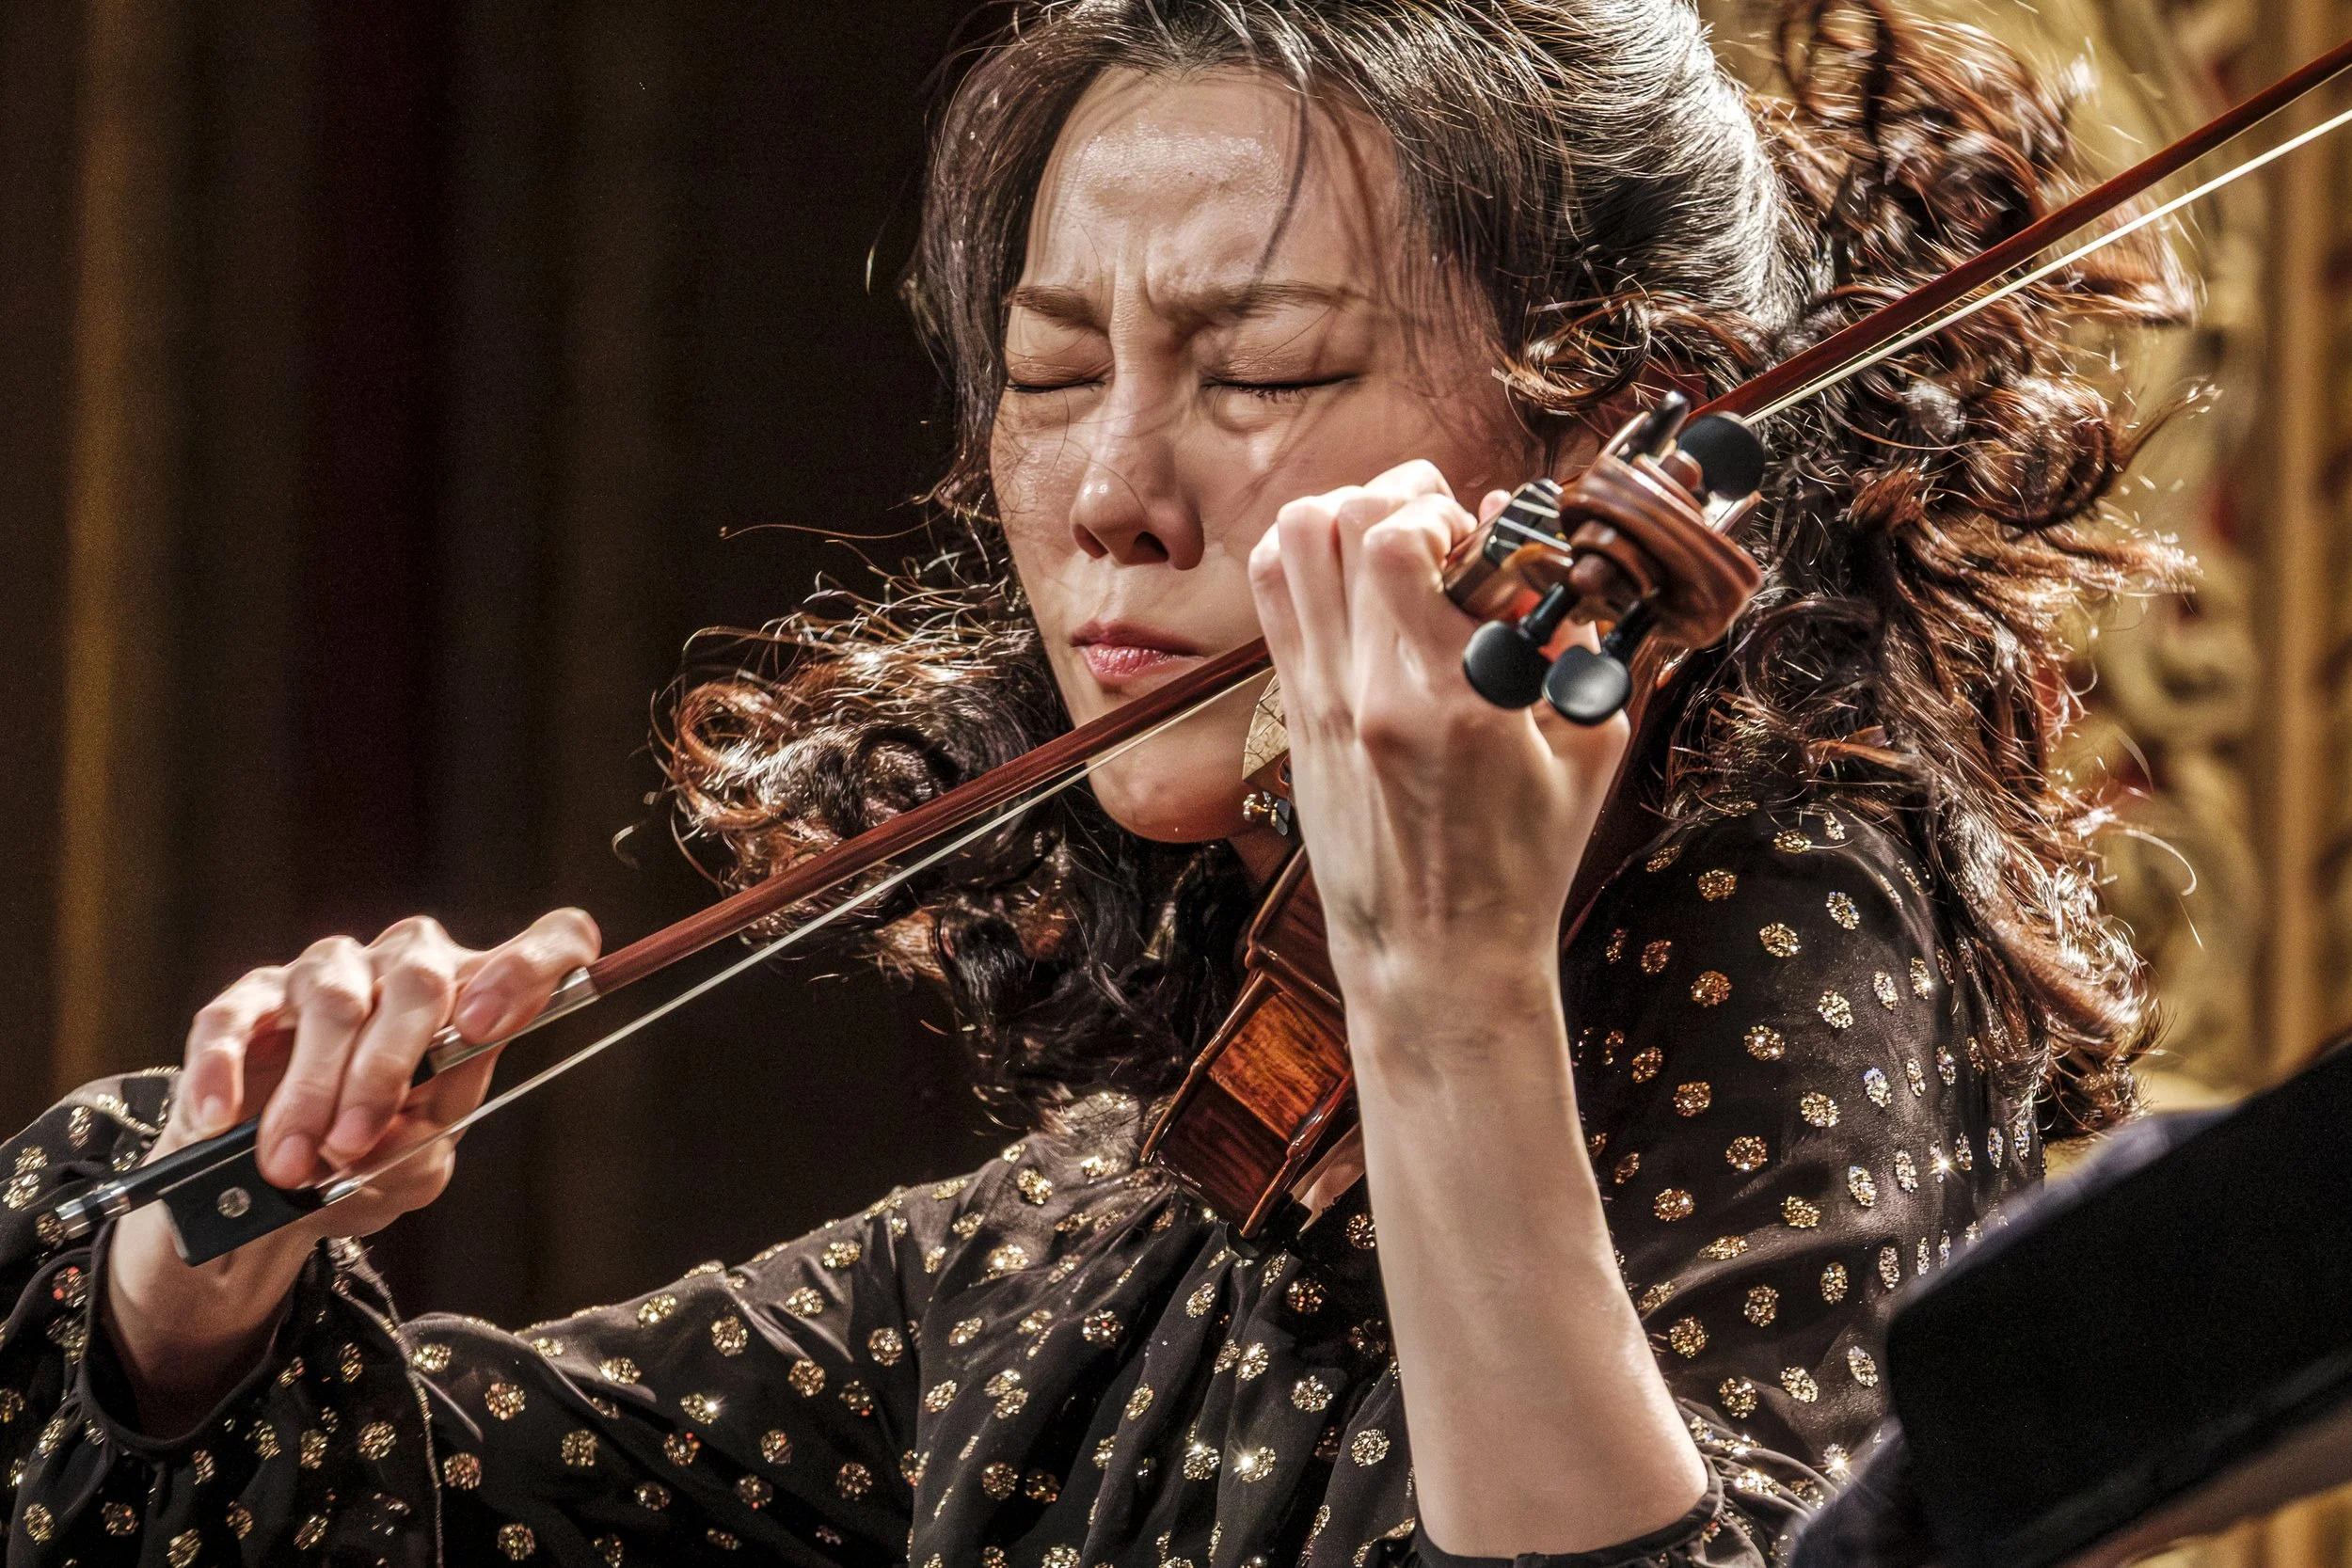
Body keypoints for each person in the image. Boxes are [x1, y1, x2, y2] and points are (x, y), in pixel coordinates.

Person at [1, 1, 2187, 1563]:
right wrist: (192, 1282)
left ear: (1605, 432)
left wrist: (1442, 989)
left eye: (1264, 369)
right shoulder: (1106, 1239)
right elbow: (398, 1501)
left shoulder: (1794, 917)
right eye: (1051, 376)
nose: (1112, 492)